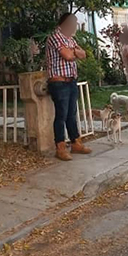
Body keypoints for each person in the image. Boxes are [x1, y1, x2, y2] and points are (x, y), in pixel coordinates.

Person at [46, 13, 92, 161]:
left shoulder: (70, 39)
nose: (74, 26)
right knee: (61, 115)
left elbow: (83, 54)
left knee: (71, 114)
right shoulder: (55, 37)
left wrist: (74, 51)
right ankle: (60, 147)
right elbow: (67, 55)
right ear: (64, 23)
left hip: (71, 80)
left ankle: (75, 142)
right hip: (59, 82)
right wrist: (74, 52)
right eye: (72, 23)